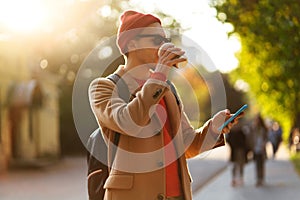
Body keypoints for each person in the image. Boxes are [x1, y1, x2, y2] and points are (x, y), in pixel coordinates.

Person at [88, 10, 243, 200]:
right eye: (156, 40)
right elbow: (129, 121)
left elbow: (187, 145)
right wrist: (160, 73)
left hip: (177, 195)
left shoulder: (166, 89)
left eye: (164, 40)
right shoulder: (103, 87)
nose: (163, 46)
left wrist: (213, 128)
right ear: (132, 43)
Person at [226, 122, 248, 187]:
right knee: (234, 165)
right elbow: (228, 140)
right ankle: (234, 178)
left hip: (240, 150)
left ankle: (240, 178)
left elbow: (245, 140)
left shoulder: (241, 131)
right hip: (234, 150)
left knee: (240, 164)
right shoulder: (231, 132)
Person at [251, 114, 268, 187]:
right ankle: (258, 179)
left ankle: (261, 178)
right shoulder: (254, 128)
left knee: (261, 165)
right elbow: (251, 138)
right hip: (255, 149)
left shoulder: (263, 129)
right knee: (257, 165)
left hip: (262, 149)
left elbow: (266, 138)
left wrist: (264, 143)